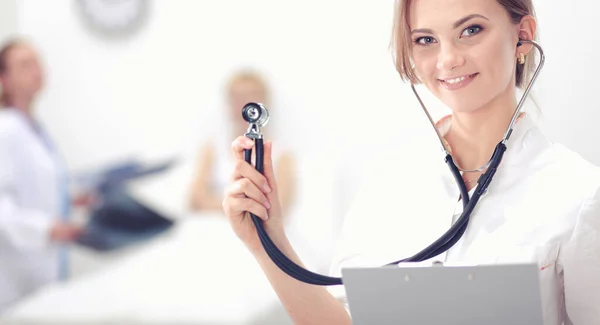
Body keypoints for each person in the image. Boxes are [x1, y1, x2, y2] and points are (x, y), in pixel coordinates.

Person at [221, 0, 600, 324]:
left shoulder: (579, 194)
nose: (448, 59)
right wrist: (267, 242)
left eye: (471, 30)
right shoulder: (388, 181)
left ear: (522, 34)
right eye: (425, 40)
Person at [0, 38, 83, 311]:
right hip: (15, 275)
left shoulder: (33, 128)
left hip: (43, 266)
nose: (37, 70)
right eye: (25, 64)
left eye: (38, 62)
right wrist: (47, 228)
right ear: (5, 78)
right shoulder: (6, 130)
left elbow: (36, 188)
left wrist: (72, 199)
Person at [189, 69, 295, 215]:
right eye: (236, 98)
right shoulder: (212, 147)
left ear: (264, 103)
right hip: (213, 226)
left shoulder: (281, 153)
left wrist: (228, 205)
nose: (243, 105)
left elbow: (279, 206)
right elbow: (196, 198)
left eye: (250, 97)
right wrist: (246, 207)